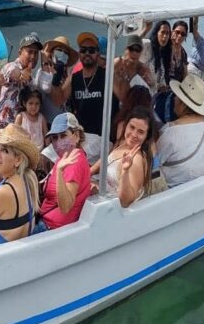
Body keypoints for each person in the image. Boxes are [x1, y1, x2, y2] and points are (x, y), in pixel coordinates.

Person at [50, 32, 120, 163]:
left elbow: (126, 97)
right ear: (79, 54)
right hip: (81, 136)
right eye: (83, 50)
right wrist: (56, 79)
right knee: (48, 154)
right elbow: (58, 100)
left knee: (68, 158)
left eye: (91, 50)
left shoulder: (108, 76)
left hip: (102, 138)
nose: (87, 53)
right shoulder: (74, 78)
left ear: (98, 54)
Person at [156, 74, 204, 188]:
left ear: (183, 104)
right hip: (202, 187)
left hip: (172, 192)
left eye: (176, 96)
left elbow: (155, 162)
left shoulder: (170, 131)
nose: (173, 99)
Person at [37, 113, 92, 231]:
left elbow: (66, 207)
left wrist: (60, 173)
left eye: (63, 136)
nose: (58, 142)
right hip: (47, 223)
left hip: (51, 228)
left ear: (76, 136)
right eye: (55, 138)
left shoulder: (74, 160)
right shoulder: (64, 158)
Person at [91, 106, 154, 206]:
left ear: (147, 136)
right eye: (132, 127)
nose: (134, 134)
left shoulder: (136, 160)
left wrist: (125, 171)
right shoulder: (122, 142)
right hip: (102, 203)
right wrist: (89, 173)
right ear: (126, 125)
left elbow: (125, 201)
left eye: (140, 132)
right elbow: (106, 160)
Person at [0, 32, 42, 129]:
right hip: (1, 129)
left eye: (36, 53)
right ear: (19, 53)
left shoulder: (31, 78)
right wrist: (21, 76)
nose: (33, 56)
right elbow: (13, 72)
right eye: (29, 52)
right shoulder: (11, 66)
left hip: (16, 130)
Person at [114, 34, 156, 102]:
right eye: (131, 49)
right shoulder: (118, 63)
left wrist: (150, 83)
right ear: (126, 49)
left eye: (138, 50)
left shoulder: (143, 69)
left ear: (141, 52)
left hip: (134, 106)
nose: (134, 53)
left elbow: (152, 89)